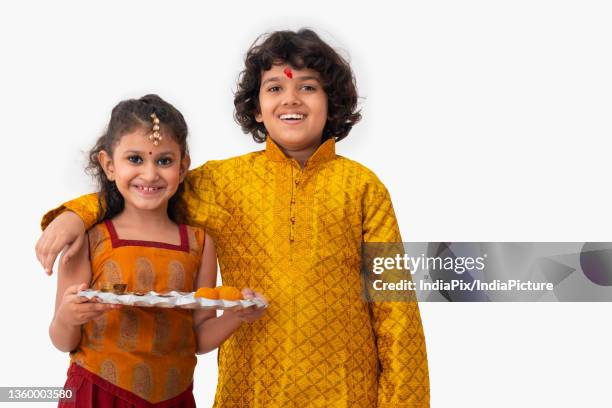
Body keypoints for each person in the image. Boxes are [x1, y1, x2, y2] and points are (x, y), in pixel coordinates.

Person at [38, 30, 429, 407]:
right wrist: (77, 214)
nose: (290, 99)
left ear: (332, 102)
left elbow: (395, 306)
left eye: (308, 87)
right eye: (275, 87)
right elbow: (147, 192)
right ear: (256, 109)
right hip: (251, 388)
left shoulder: (362, 187)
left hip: (348, 391)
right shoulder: (223, 183)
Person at [48, 94, 266, 407]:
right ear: (109, 165)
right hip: (97, 393)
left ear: (183, 166)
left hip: (173, 399)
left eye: (164, 160)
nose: (150, 174)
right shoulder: (89, 237)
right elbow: (62, 339)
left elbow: (200, 338)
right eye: (135, 159)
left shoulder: (199, 243)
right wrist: (69, 316)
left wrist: (238, 315)